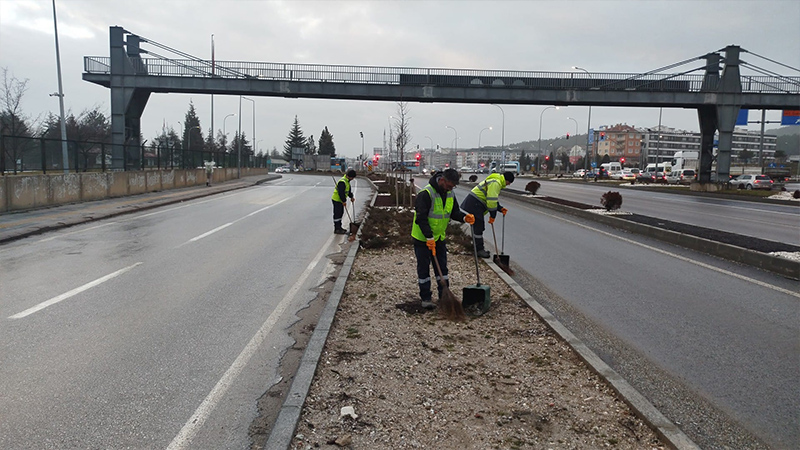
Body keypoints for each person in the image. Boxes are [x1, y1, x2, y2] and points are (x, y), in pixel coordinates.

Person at [411, 169, 475, 309]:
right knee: (424, 270)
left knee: (442, 268)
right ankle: (426, 298)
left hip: (439, 238)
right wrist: (428, 237)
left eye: (453, 187)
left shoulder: (450, 193)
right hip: (423, 239)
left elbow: (454, 212)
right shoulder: (426, 194)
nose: (450, 189)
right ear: (442, 180)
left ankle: (443, 296)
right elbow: (421, 218)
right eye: (449, 186)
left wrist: (464, 217)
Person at [459, 171, 514, 258]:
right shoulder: (496, 183)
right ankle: (479, 250)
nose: (509, 185)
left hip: (474, 202)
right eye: (509, 182)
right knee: (479, 226)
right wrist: (493, 216)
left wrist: (500, 208)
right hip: (475, 203)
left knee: (478, 226)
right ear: (507, 180)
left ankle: (478, 248)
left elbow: (492, 198)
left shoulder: (496, 180)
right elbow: (491, 201)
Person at [332, 169, 357, 234]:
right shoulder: (342, 182)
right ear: (349, 176)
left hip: (340, 200)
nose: (352, 179)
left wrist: (351, 197)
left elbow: (348, 191)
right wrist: (344, 201)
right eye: (352, 177)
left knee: (341, 213)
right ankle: (337, 229)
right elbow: (341, 193)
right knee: (337, 214)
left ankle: (339, 227)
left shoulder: (347, 181)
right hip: (337, 200)